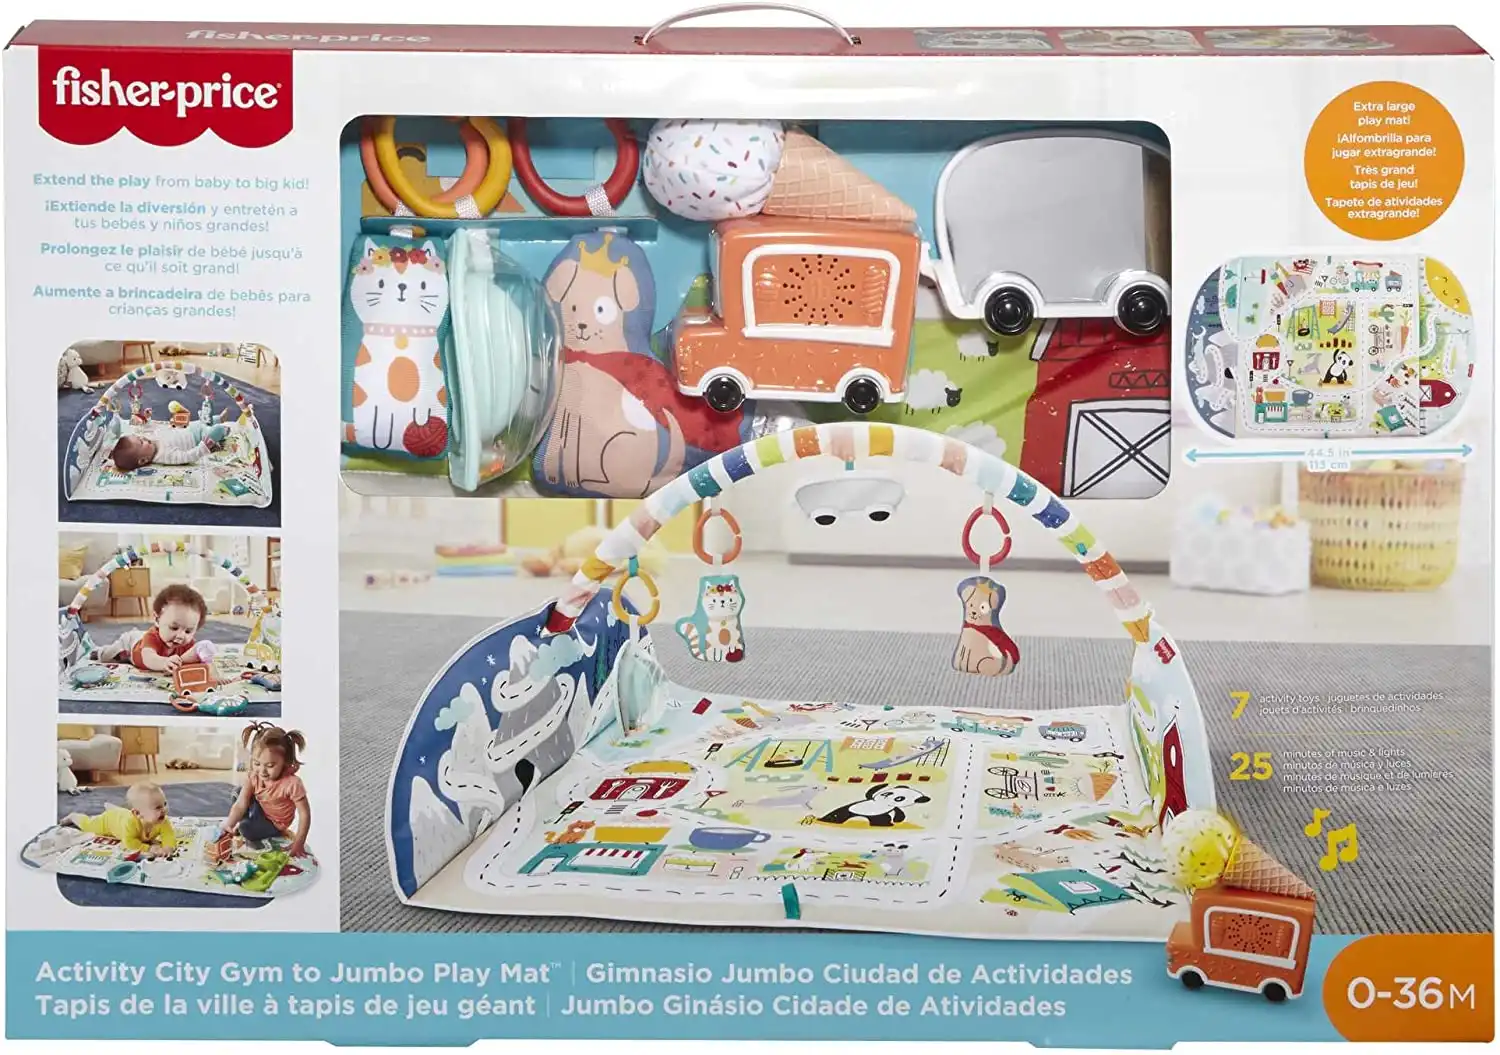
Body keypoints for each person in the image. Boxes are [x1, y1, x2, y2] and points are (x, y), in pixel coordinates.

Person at [224, 723, 310, 858]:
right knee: (237, 792)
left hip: (274, 823)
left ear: (285, 762)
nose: (262, 771)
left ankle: (247, 823)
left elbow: (304, 814)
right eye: (257, 763)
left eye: (270, 765)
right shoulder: (254, 775)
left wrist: (299, 842)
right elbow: (241, 803)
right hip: (261, 809)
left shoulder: (292, 784)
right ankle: (244, 821)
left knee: (246, 828)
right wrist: (229, 824)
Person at [95, 584, 215, 673]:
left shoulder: (188, 644)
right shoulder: (151, 638)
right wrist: (164, 662)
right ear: (157, 620)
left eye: (188, 631)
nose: (181, 636)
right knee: (107, 656)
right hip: (131, 644)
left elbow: (197, 658)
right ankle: (97, 651)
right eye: (174, 628)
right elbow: (149, 658)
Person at [61, 781, 178, 857]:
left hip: (121, 815)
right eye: (158, 807)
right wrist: (149, 848)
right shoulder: (130, 823)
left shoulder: (163, 820)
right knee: (89, 826)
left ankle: (112, 808)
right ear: (138, 813)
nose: (164, 809)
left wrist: (168, 847)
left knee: (120, 812)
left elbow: (169, 835)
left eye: (165, 804)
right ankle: (74, 816)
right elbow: (130, 843)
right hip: (109, 821)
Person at [108, 424, 226, 473]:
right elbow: (187, 457)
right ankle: (221, 430)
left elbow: (157, 431)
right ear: (143, 460)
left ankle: (215, 422)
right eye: (141, 442)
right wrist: (203, 448)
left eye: (139, 437)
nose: (143, 438)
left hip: (190, 429)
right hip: (198, 439)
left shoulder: (151, 443)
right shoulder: (164, 455)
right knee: (215, 430)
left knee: (204, 422)